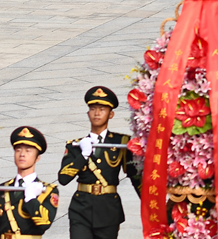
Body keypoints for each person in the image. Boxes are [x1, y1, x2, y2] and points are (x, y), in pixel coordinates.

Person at [58, 87, 140, 239]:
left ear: (111, 114)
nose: (97, 113)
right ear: (88, 113)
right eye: (93, 109)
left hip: (108, 209)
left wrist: (150, 204)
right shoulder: (76, 145)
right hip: (81, 209)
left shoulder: (122, 143)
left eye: (102, 109)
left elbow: (135, 176)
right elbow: (63, 178)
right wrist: (83, 155)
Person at [2, 126, 58, 237]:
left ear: (37, 158)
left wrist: (31, 199)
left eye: (28, 151)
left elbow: (45, 223)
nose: (22, 154)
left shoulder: (47, 190)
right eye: (18, 150)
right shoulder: (3, 188)